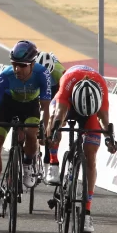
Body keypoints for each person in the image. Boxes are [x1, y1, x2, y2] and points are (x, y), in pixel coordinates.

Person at [47, 65, 117, 233]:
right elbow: (60, 113)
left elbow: (104, 120)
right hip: (67, 103)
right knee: (54, 123)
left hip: (91, 110)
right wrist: (55, 131)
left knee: (91, 156)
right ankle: (53, 163)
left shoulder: (101, 90)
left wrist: (110, 139)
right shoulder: (67, 84)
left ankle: (86, 212)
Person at [0, 40, 51, 217]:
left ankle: (27, 163)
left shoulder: (42, 74)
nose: (17, 69)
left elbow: (45, 108)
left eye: (22, 65)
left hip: (30, 107)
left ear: (32, 64)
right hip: (7, 106)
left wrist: (46, 128)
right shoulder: (5, 75)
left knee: (31, 133)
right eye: (14, 64)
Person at [35, 51, 68, 184]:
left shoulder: (59, 72)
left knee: (52, 126)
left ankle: (49, 164)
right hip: (36, 89)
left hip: (56, 92)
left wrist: (61, 117)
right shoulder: (33, 71)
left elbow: (65, 95)